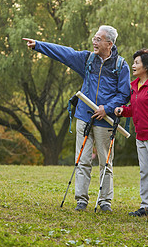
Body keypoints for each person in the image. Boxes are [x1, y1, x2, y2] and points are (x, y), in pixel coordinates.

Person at [22, 25, 131, 212]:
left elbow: (124, 93)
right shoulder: (87, 59)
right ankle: (81, 200)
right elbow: (65, 53)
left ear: (109, 44)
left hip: (106, 121)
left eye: (98, 39)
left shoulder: (121, 65)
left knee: (106, 162)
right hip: (84, 117)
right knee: (82, 160)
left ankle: (105, 202)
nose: (94, 42)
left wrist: (108, 108)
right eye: (94, 38)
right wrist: (39, 45)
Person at [114, 49, 148, 219]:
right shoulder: (133, 86)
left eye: (137, 62)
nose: (133, 65)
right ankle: (145, 207)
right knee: (145, 172)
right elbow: (136, 109)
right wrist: (123, 110)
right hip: (140, 136)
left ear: (146, 66)